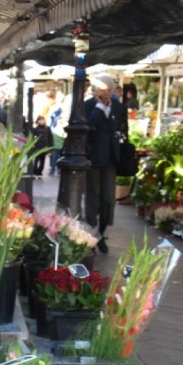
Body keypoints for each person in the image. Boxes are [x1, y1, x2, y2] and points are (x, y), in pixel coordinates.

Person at [83, 76, 129, 254]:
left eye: (109, 89)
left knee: (108, 200)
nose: (106, 93)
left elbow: (122, 128)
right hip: (93, 159)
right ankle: (93, 235)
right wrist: (99, 107)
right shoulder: (88, 105)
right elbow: (87, 126)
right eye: (102, 90)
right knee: (93, 198)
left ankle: (101, 233)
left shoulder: (118, 107)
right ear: (95, 90)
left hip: (111, 159)